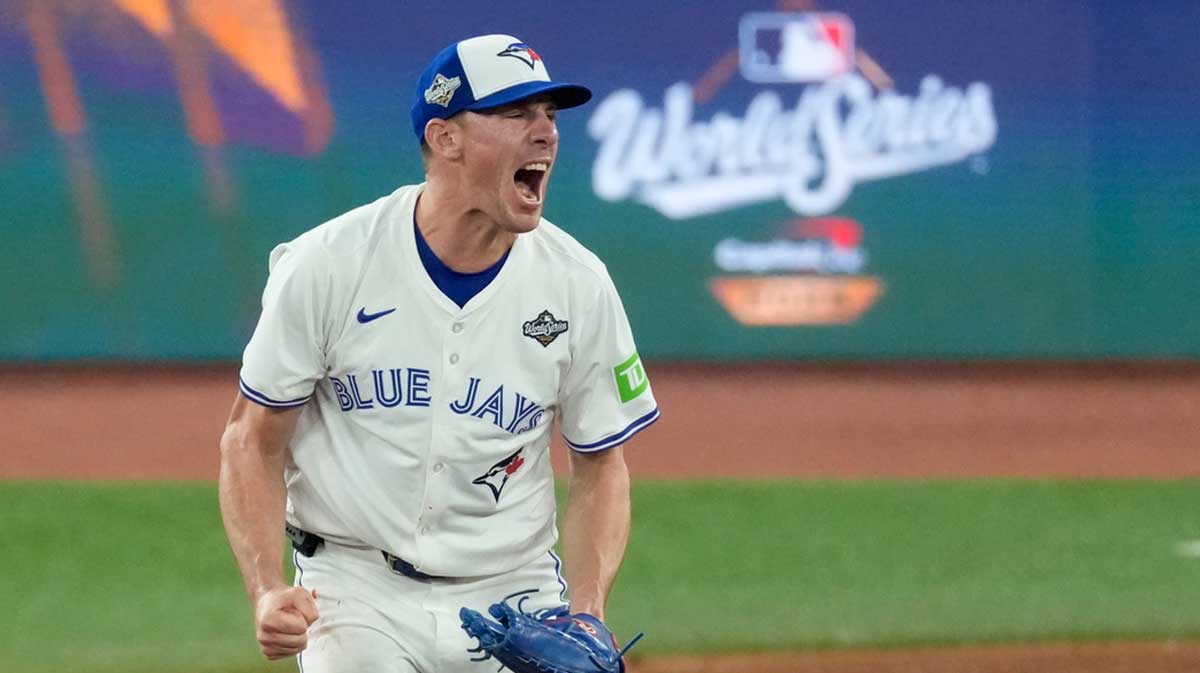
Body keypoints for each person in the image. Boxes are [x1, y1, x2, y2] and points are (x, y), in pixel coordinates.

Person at [218, 34, 660, 673]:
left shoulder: (576, 284)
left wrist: (586, 615)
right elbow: (250, 440)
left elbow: (601, 465)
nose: (545, 134)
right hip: (353, 591)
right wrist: (265, 590)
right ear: (445, 137)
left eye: (551, 116)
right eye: (516, 113)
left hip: (516, 600)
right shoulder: (328, 265)